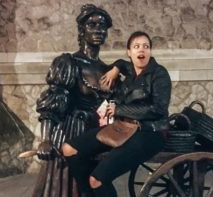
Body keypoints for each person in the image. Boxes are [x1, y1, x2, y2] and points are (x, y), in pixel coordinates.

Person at [61, 31, 172, 196]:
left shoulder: (159, 74)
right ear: (129, 52)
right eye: (136, 46)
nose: (141, 50)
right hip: (122, 127)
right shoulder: (129, 70)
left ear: (150, 51)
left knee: (97, 179)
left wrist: (119, 110)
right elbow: (121, 63)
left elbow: (159, 109)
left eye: (146, 47)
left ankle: (95, 184)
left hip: (150, 132)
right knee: (69, 149)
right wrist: (116, 68)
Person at [33, 4, 117, 197]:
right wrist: (46, 140)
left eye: (102, 26)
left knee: (96, 183)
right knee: (67, 188)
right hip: (71, 132)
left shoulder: (107, 69)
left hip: (98, 134)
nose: (98, 30)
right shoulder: (68, 63)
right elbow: (52, 104)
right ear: (82, 30)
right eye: (92, 25)